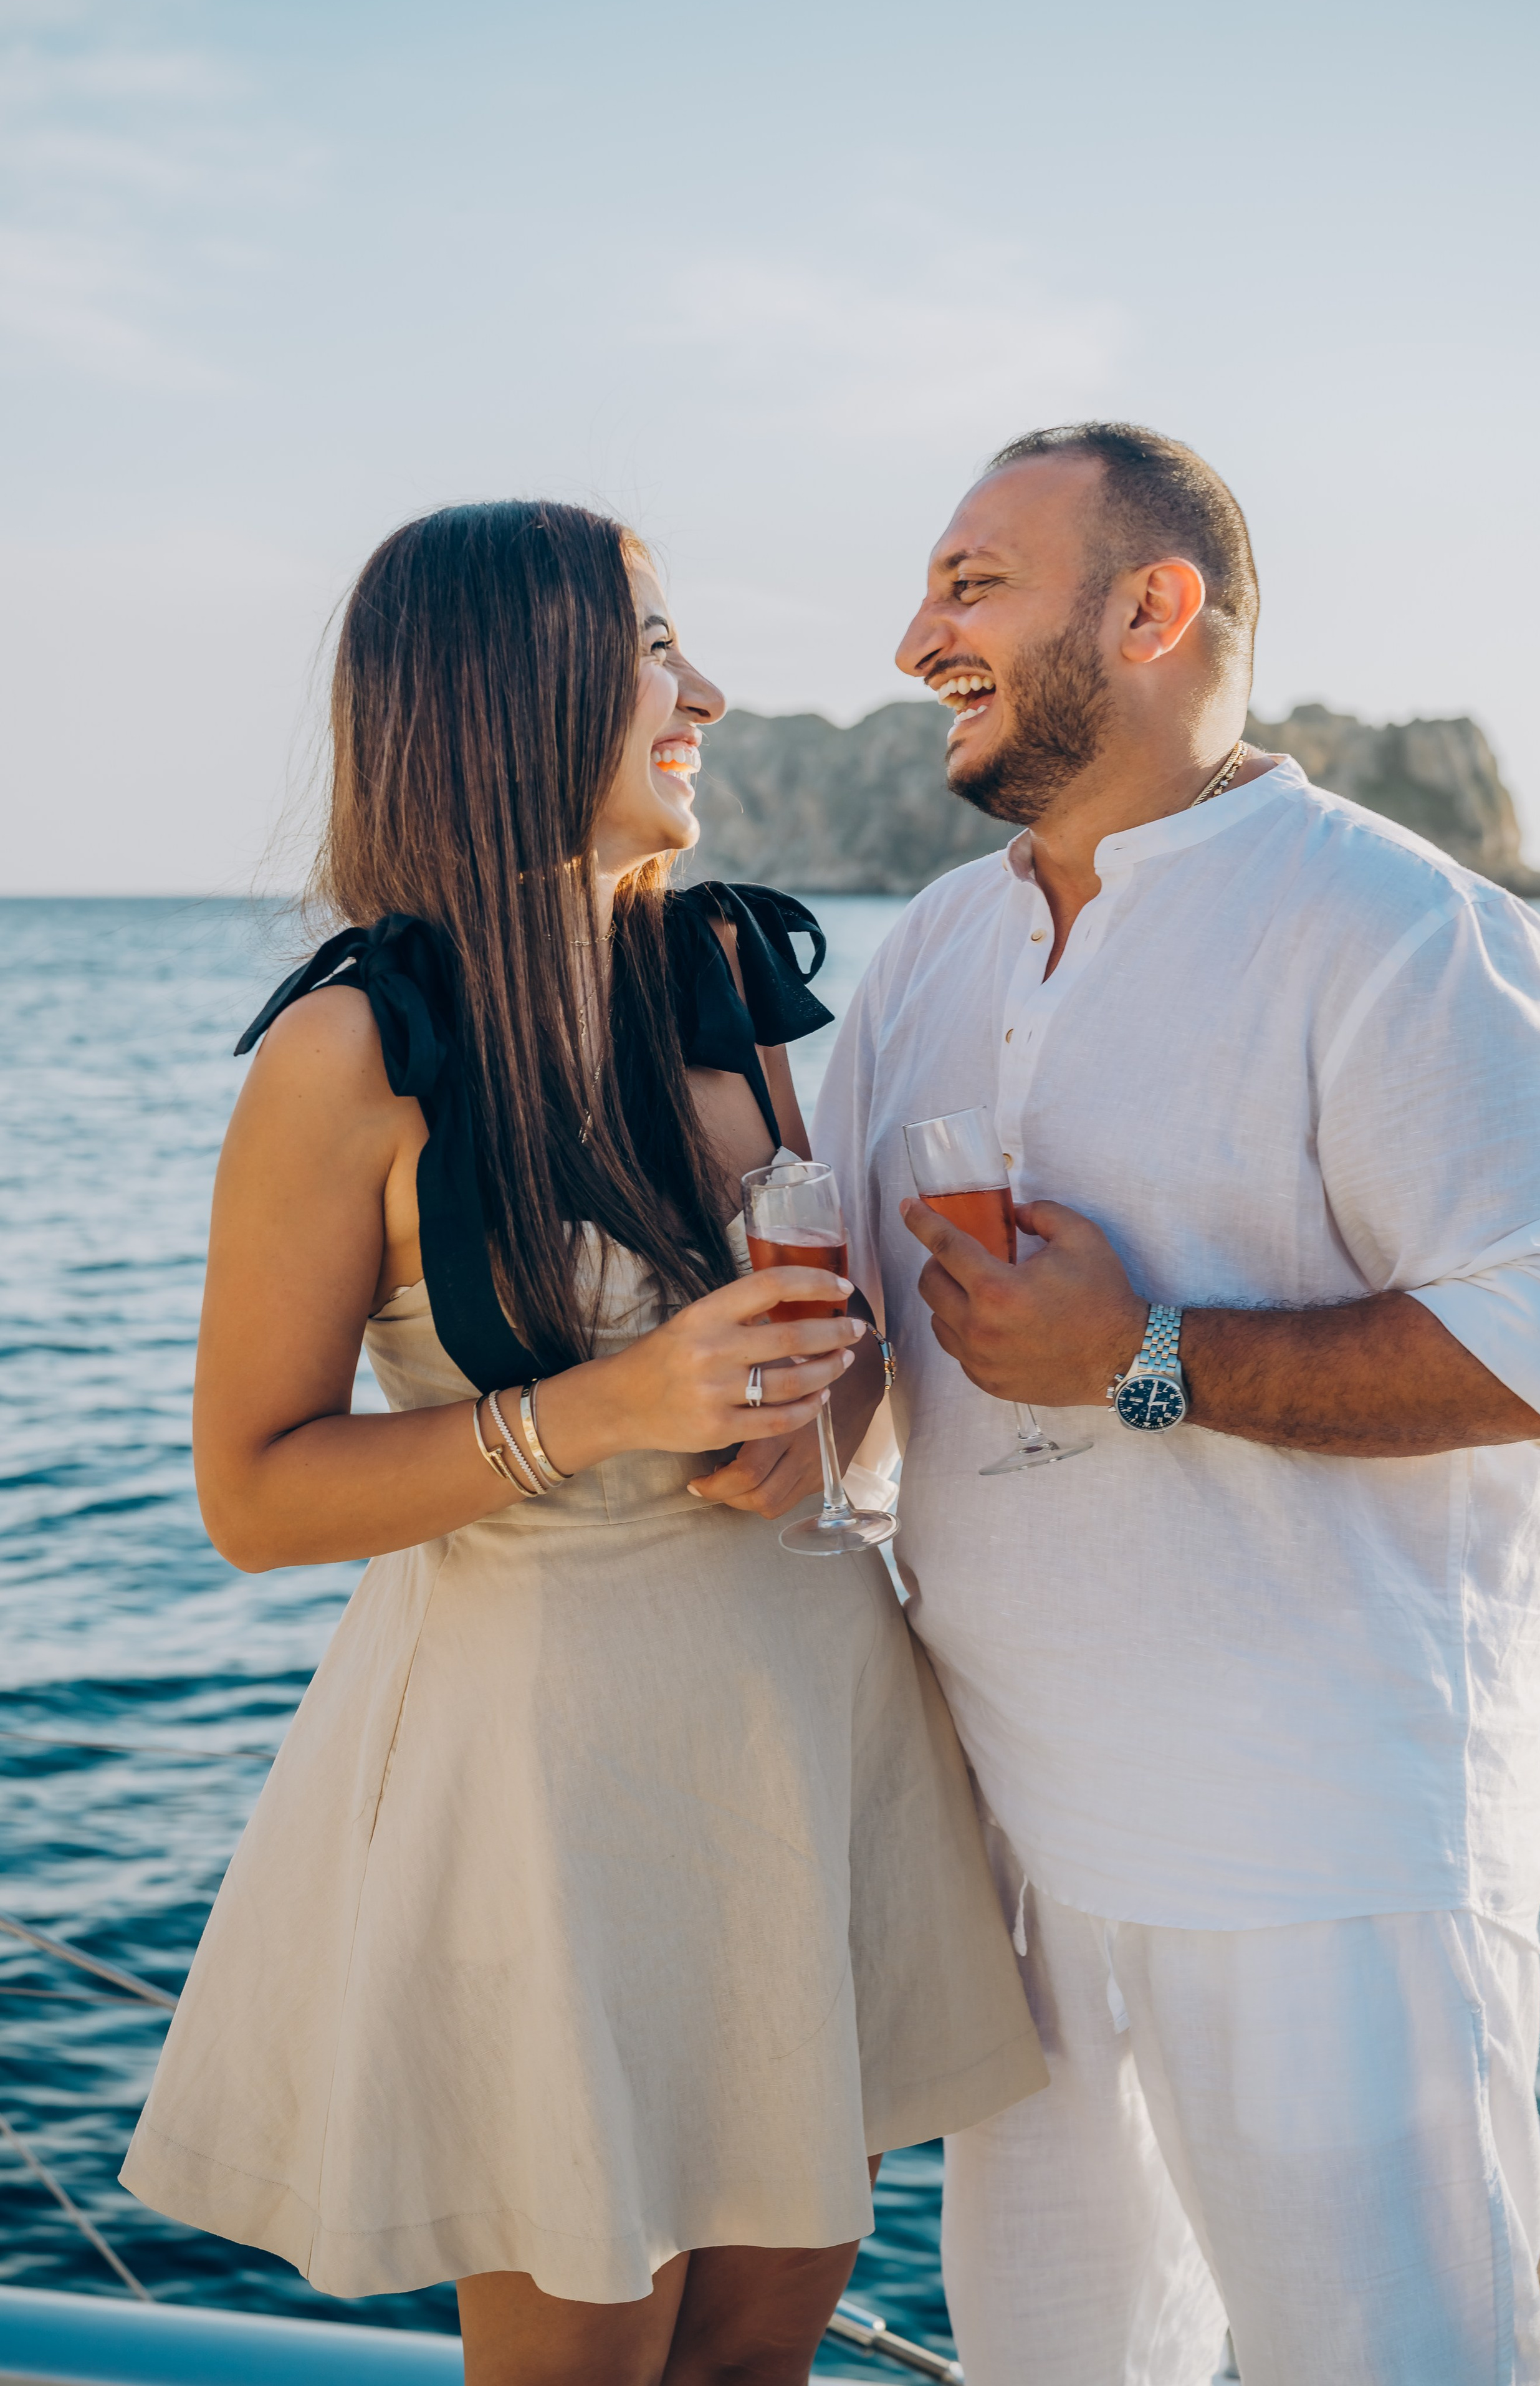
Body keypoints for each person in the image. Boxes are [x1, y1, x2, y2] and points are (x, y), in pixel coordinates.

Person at [120, 500, 1045, 2386]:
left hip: (808, 1739)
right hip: (551, 1790)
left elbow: (830, 1382)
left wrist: (822, 1416)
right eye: (653, 651)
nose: (701, 691)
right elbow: (254, 1490)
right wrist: (605, 1408)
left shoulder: (727, 985)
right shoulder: (351, 1057)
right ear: (507, 692)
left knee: (754, 2366)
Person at [813, 423, 1540, 2385]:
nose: (918, 634)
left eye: (973, 585)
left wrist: (1145, 1356)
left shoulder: (1403, 931)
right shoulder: (932, 949)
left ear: (1152, 610)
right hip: (1019, 1852)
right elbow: (864, 1379)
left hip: (1317, 1855)